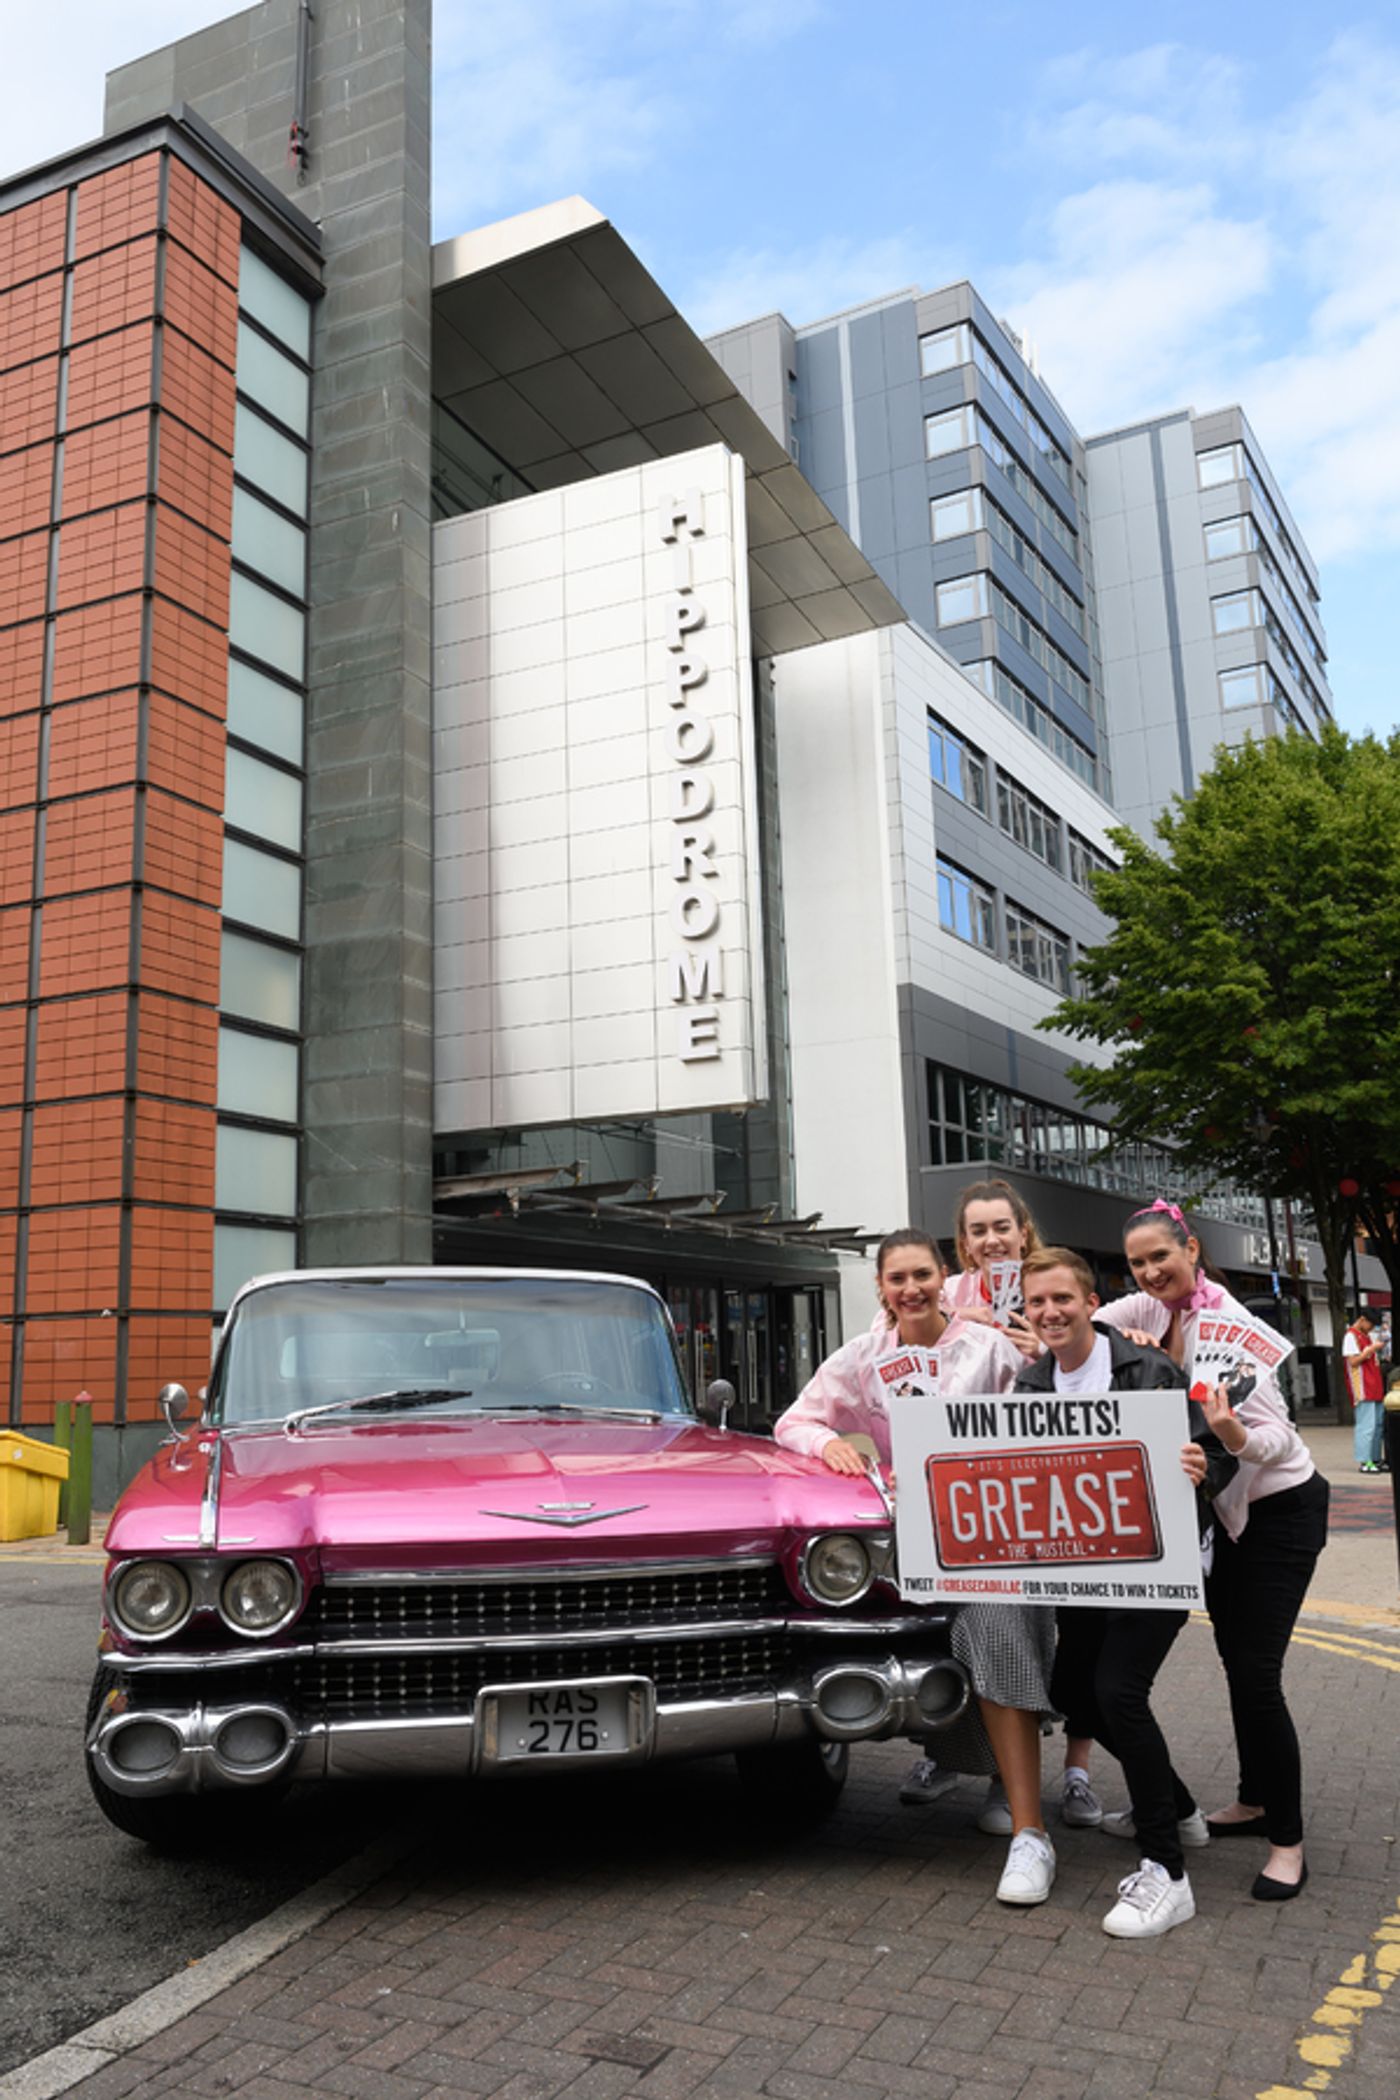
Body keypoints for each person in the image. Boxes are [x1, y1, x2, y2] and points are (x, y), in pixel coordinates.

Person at [773, 1228, 1061, 1906]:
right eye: (897, 1278)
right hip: (908, 1536)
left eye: (922, 1275)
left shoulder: (987, 1347)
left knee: (1000, 1628)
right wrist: (832, 1444)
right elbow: (794, 1420)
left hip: (989, 1529)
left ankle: (1024, 1819)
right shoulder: (865, 1356)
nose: (911, 1289)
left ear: (944, 1278)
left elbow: (1045, 1413)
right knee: (914, 1635)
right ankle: (960, 1760)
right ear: (881, 1287)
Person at [1097, 1198, 1329, 1900]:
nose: (1148, 1272)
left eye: (1159, 1257)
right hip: (1226, 1518)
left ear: (1191, 1250)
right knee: (1237, 1664)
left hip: (1280, 1508)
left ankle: (1287, 1843)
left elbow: (1279, 1442)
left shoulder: (1234, 1328)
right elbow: (1082, 1326)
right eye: (1137, 1263)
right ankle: (1255, 1800)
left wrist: (1229, 1433)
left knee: (1257, 1674)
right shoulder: (1144, 1311)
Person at [1016, 1248, 1237, 1937]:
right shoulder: (1029, 1386)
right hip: (1083, 1569)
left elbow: (1222, 1453)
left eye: (1063, 1299)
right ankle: (1175, 1806)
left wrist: (1205, 1468)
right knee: (1073, 1692)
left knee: (1117, 1692)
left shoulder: (1149, 1368)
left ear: (1090, 1302)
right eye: (1037, 1303)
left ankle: (1167, 1874)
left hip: (1158, 1563)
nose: (1050, 1313)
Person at [929, 1179, 1103, 1839]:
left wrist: (1043, 1348)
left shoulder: (1052, 1284)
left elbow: (1094, 1354)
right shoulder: (945, 1296)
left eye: (1002, 1227)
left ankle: (1077, 1770)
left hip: (1043, 1480)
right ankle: (958, 1756)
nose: (991, 1240)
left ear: (1022, 1229)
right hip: (970, 1487)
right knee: (966, 1622)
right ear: (962, 1241)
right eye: (978, 1231)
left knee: (1067, 1627)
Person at [1343, 1311, 1385, 1472]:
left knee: (1377, 1425)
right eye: (1371, 1325)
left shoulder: (1365, 1335)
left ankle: (1374, 1458)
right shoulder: (1350, 1336)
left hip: (1373, 1384)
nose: (1371, 1328)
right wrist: (1369, 1350)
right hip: (1362, 1385)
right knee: (1366, 1425)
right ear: (1362, 1320)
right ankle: (1365, 1461)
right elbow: (1352, 1361)